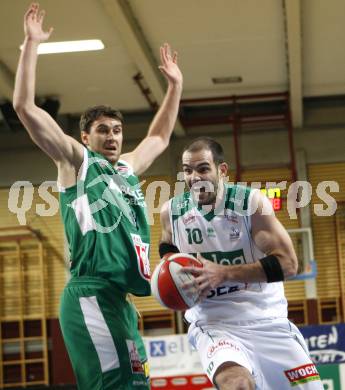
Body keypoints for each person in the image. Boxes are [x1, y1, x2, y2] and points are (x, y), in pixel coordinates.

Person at [13, 3, 183, 389]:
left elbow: (158, 138)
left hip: (120, 301)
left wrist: (175, 87)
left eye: (118, 130)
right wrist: (32, 44)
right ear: (85, 137)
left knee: (138, 384)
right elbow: (24, 107)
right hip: (89, 293)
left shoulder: (125, 170)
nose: (112, 136)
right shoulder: (78, 163)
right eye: (103, 130)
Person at [159, 137, 323, 390]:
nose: (194, 177)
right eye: (187, 170)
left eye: (203, 168)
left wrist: (223, 273)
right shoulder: (172, 212)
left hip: (268, 320)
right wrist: (174, 279)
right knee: (236, 383)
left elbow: (289, 264)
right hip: (213, 323)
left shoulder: (250, 203)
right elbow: (167, 248)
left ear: (221, 170)